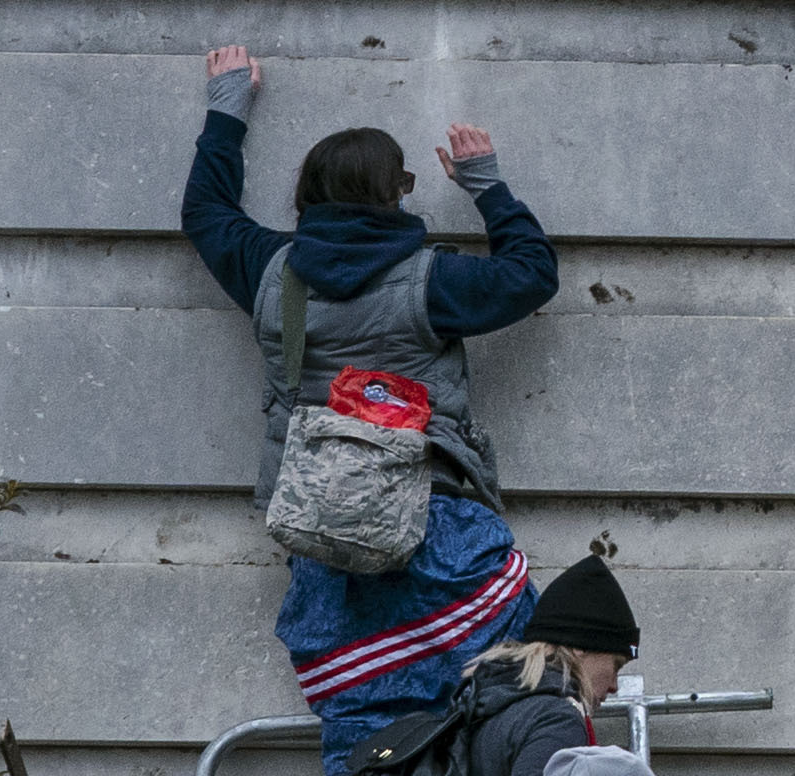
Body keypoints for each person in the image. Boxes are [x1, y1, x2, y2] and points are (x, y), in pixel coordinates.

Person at [186, 46, 568, 772]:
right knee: (513, 705)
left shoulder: (268, 272)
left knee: (367, 734)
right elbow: (531, 274)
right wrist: (484, 182)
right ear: (396, 194)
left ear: (307, 195)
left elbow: (205, 212)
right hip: (441, 529)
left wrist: (228, 104)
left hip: (329, 551)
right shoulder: (434, 281)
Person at [344, 555, 642, 776]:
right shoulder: (556, 720)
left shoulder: (486, 700)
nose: (614, 686)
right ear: (581, 647)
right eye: (615, 665)